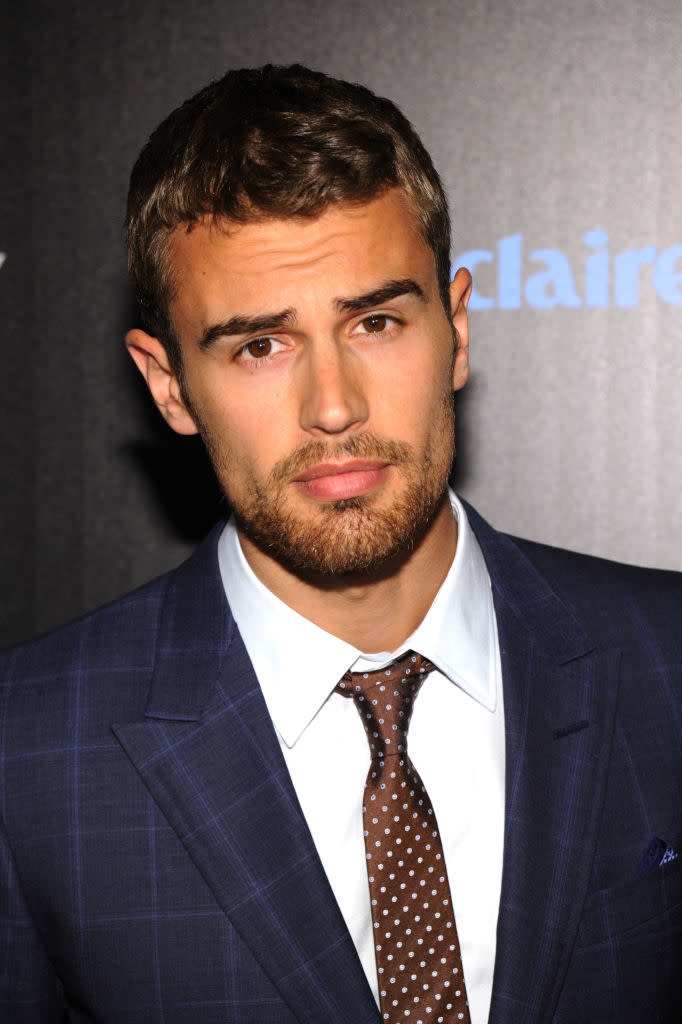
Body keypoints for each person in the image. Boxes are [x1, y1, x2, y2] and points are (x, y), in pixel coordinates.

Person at [1, 64, 680, 1024]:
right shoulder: (24, 753)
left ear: (457, 329)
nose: (334, 407)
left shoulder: (669, 660)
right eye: (259, 346)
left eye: (375, 322)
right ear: (165, 384)